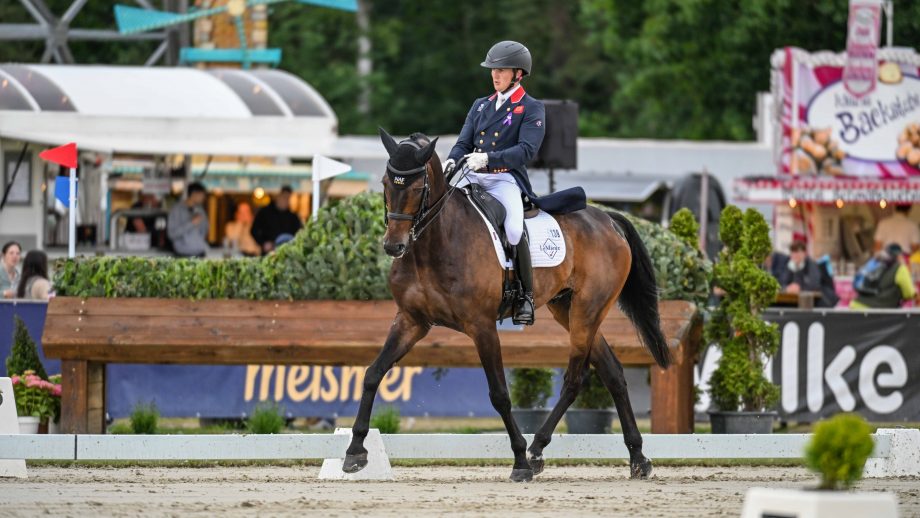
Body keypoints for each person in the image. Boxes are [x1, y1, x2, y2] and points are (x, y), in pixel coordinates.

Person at [442, 41, 546, 325]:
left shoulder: (530, 108)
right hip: (471, 174)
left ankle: (525, 296)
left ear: (518, 74)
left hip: (504, 178)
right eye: (493, 70)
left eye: (501, 70)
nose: (495, 75)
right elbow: (463, 142)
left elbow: (526, 151)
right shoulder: (480, 106)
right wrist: (452, 160)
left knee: (513, 228)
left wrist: (488, 158)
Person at [850, 243, 919, 309]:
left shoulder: (874, 262)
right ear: (899, 256)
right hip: (878, 310)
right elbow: (909, 293)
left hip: (857, 305)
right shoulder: (900, 268)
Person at [250, 185, 303, 255]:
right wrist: (263, 243)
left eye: (288, 198)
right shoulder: (265, 213)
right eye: (284, 197)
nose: (286, 201)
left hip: (287, 254)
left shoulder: (293, 217)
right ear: (279, 196)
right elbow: (254, 230)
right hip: (268, 254)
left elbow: (299, 233)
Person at [167, 182, 210, 258]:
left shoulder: (200, 210)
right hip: (183, 255)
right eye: (202, 195)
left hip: (200, 253)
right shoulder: (176, 210)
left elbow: (205, 230)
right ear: (194, 194)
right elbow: (172, 234)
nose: (204, 198)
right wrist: (191, 223)